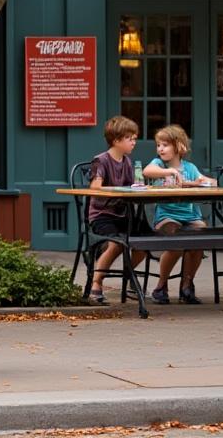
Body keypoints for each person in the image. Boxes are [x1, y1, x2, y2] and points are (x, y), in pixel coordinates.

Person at [141, 124, 211, 304]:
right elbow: (147, 171)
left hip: (190, 216)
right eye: (158, 145)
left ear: (179, 146)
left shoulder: (190, 167)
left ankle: (186, 285)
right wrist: (170, 171)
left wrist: (201, 182)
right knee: (175, 238)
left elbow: (208, 181)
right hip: (167, 216)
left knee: (200, 235)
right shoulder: (159, 165)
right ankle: (161, 286)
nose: (160, 149)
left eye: (165, 145)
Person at [84, 115, 150, 305]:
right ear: (116, 140)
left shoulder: (127, 162)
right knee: (117, 244)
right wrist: (121, 189)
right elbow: (95, 187)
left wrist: (138, 188)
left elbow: (131, 186)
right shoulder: (101, 160)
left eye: (135, 138)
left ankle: (129, 276)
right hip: (102, 215)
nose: (134, 142)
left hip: (123, 214)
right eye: (130, 138)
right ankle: (96, 283)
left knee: (146, 241)